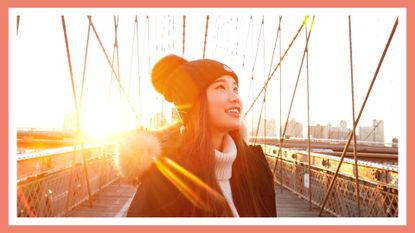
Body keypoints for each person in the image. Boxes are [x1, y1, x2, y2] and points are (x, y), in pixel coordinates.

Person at [118, 54, 276, 217]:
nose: (235, 97)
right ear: (195, 102)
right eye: (221, 87)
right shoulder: (164, 180)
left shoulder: (256, 167)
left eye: (235, 88)